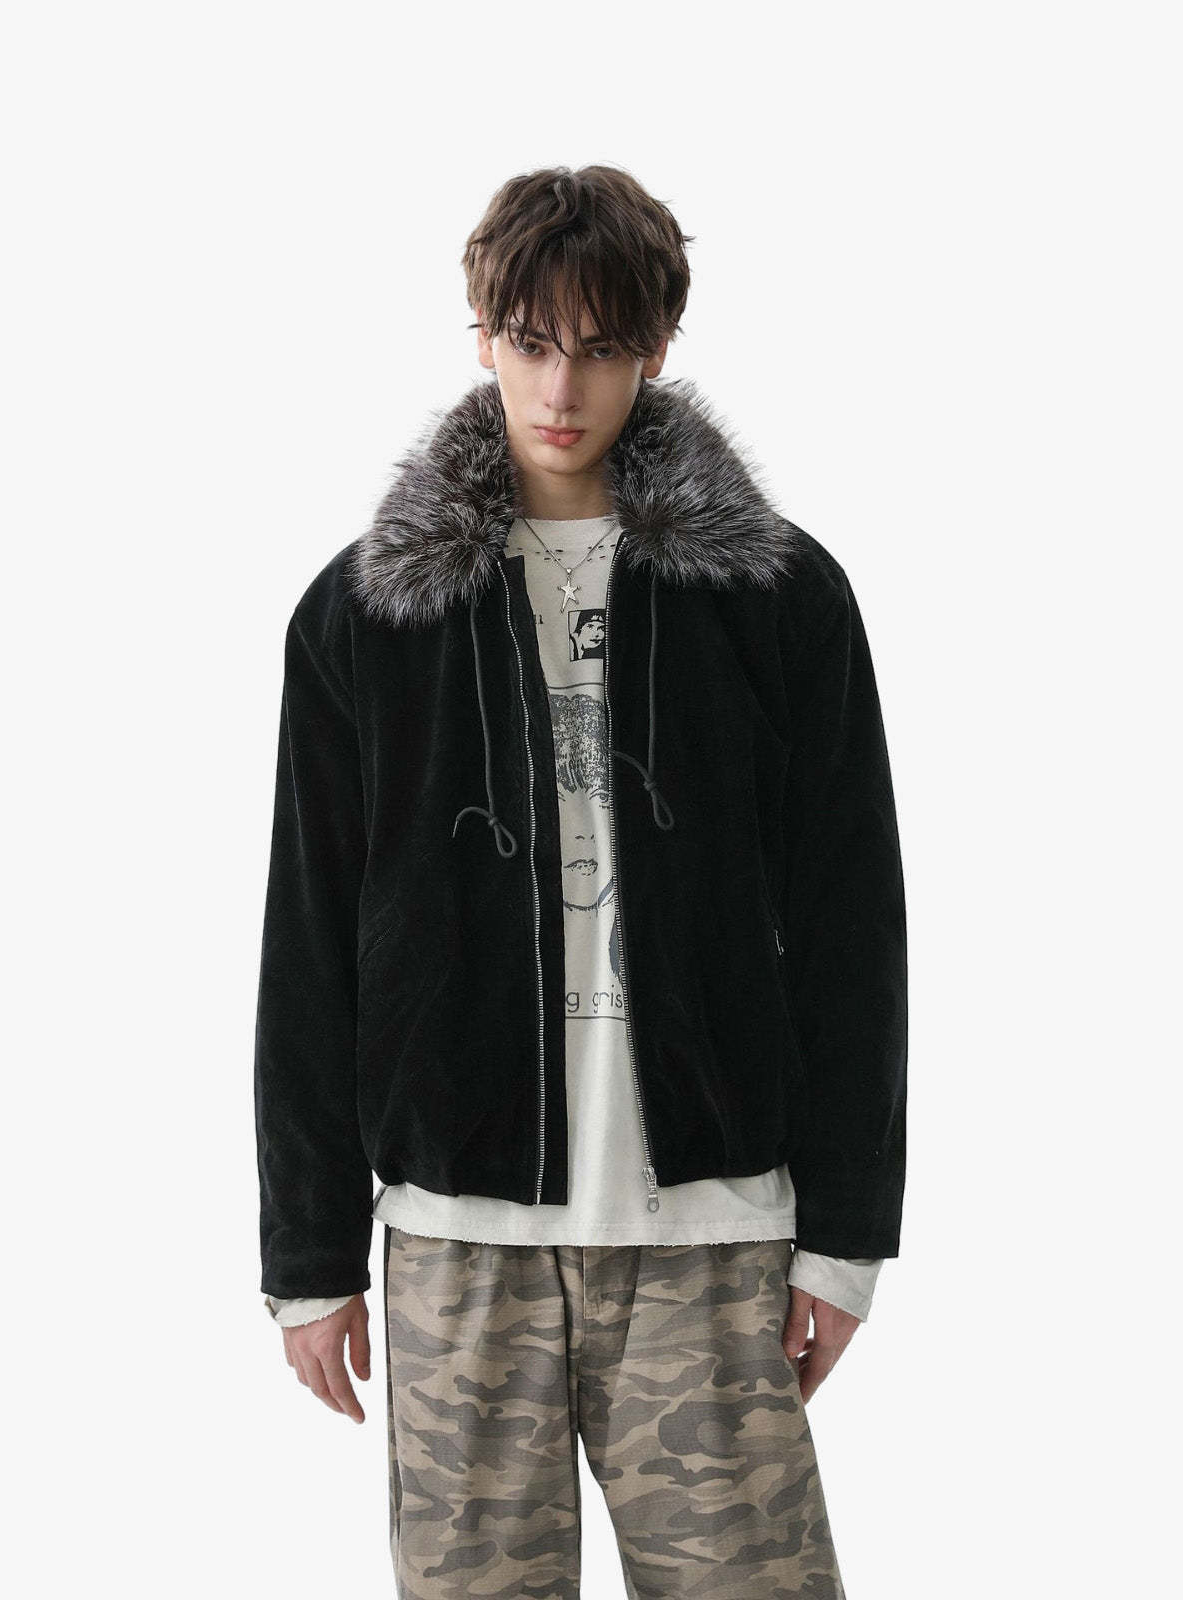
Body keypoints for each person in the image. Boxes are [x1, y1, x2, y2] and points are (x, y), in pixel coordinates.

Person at [254, 163, 907, 1598]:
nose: (563, 389)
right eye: (532, 342)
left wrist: (848, 1236)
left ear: (657, 348)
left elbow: (854, 924)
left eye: (603, 347)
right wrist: (309, 1253)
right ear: (481, 333)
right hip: (457, 1242)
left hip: (710, 1237)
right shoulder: (366, 612)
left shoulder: (776, 596)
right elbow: (308, 940)